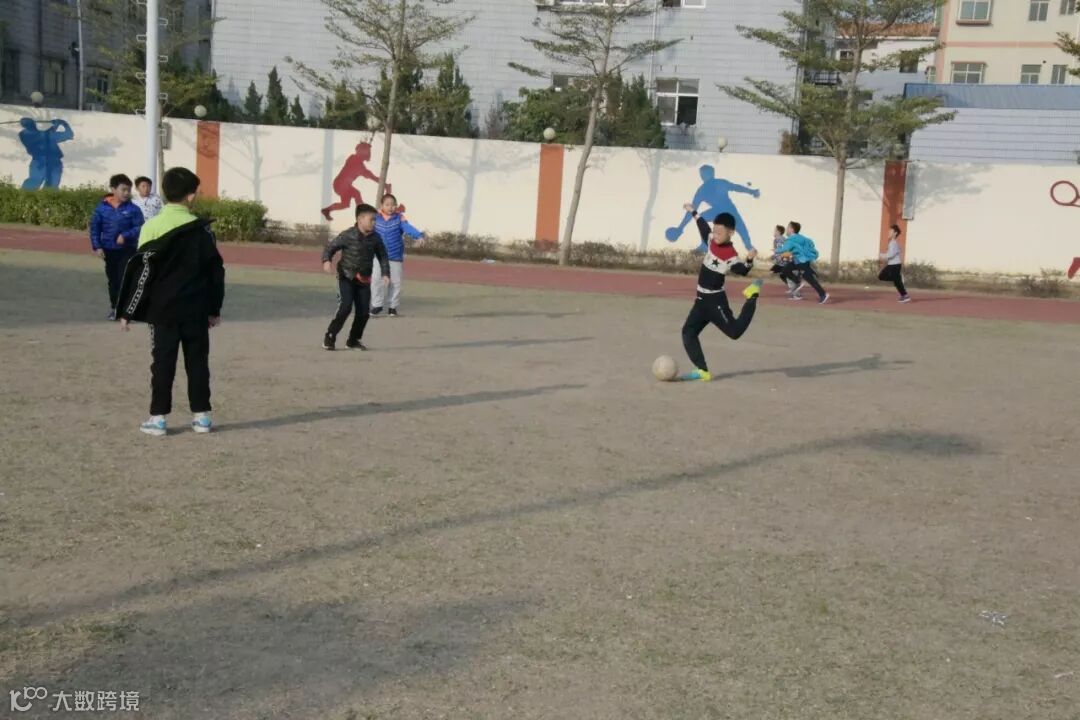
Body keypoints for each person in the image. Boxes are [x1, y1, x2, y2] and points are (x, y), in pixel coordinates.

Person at [115, 167, 225, 436]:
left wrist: (127, 310)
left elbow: (142, 271)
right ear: (190, 196)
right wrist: (214, 309)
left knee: (162, 362)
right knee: (197, 361)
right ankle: (202, 417)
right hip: (196, 308)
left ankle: (158, 418)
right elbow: (215, 272)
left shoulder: (152, 226)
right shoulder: (203, 230)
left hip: (162, 309)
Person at [678, 203, 763, 382]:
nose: (715, 235)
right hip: (701, 300)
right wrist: (693, 211)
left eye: (719, 232)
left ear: (731, 233)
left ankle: (752, 295)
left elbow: (741, 270)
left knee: (735, 333)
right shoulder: (711, 239)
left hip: (715, 302)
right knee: (688, 332)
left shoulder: (730, 254)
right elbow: (703, 227)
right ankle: (702, 371)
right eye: (714, 231)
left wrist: (749, 260)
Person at [321, 203, 391, 350]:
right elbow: (330, 248)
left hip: (364, 279)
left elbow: (383, 256)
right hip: (346, 276)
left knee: (364, 312)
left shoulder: (376, 238)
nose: (374, 223)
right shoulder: (348, 235)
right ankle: (330, 336)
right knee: (345, 307)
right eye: (371, 219)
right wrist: (327, 260)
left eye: (375, 220)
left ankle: (353, 340)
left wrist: (385, 273)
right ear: (360, 219)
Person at [89, 173, 145, 320]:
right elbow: (95, 228)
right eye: (123, 190)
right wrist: (97, 246)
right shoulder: (101, 209)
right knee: (113, 280)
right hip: (109, 250)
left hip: (127, 250)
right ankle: (115, 308)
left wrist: (126, 235)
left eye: (128, 190)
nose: (126, 193)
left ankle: (126, 310)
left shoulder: (133, 210)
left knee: (124, 279)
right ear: (113, 189)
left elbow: (140, 227)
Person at [370, 193, 425, 317]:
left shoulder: (399, 218)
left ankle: (392, 307)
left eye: (393, 205)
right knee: (376, 281)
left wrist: (419, 236)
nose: (390, 207)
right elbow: (365, 229)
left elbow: (408, 228)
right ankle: (377, 305)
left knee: (395, 282)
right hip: (378, 256)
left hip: (395, 256)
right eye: (387, 204)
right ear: (381, 205)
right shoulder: (375, 218)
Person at [778, 221, 829, 304]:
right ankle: (798, 282)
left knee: (809, 278)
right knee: (785, 269)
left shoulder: (794, 239)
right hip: (797, 261)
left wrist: (778, 252)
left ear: (792, 229)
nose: (786, 229)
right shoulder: (798, 238)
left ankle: (823, 294)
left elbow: (786, 249)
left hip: (802, 262)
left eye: (788, 228)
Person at [879, 224, 910, 303]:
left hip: (894, 265)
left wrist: (881, 255)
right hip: (893, 264)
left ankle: (900, 282)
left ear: (895, 233)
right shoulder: (893, 243)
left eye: (891, 231)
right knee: (896, 282)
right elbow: (896, 252)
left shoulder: (893, 243)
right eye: (889, 231)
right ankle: (904, 295)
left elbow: (890, 255)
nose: (889, 232)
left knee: (881, 276)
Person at [768, 224, 800, 296]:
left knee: (778, 272)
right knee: (782, 274)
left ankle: (795, 286)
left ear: (778, 232)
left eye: (775, 230)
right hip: (784, 260)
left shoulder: (779, 240)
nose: (773, 232)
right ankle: (793, 286)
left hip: (783, 261)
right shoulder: (782, 239)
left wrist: (776, 257)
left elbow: (782, 250)